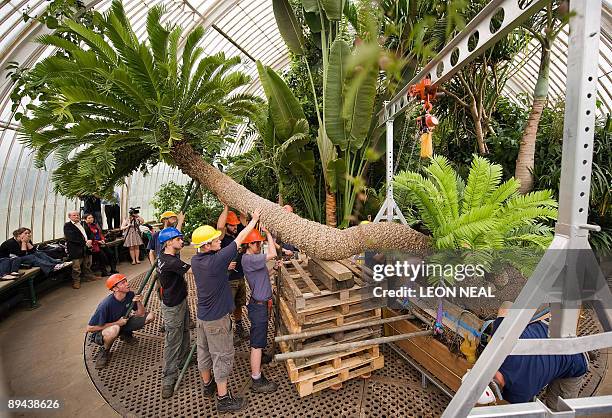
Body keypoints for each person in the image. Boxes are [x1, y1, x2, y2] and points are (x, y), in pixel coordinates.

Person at [190, 208, 261, 413]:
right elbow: (239, 238)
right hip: (217, 319)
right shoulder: (217, 260)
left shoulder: (197, 260)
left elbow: (214, 264)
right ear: (206, 246)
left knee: (203, 351)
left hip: (203, 317)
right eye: (215, 239)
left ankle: (207, 385)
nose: (219, 239)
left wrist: (223, 268)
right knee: (222, 355)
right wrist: (253, 220)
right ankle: (223, 399)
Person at [490, 301, 589, 409]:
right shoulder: (500, 340)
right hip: (550, 327)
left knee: (558, 411)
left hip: (574, 360)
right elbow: (507, 306)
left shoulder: (517, 396)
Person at [86, 273, 155, 369]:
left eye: (126, 281)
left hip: (123, 323)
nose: (127, 284)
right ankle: (105, 351)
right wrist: (117, 323)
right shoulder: (106, 304)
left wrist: (138, 301)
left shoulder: (130, 294)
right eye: (122, 283)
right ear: (115, 289)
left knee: (150, 316)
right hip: (106, 330)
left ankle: (125, 334)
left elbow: (141, 314)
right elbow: (90, 328)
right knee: (114, 329)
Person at [241, 226, 279, 393]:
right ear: (249, 244)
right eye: (257, 244)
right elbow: (272, 253)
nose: (259, 246)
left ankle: (260, 357)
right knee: (257, 343)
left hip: (260, 304)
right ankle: (256, 379)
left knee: (259, 339)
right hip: (258, 306)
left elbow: (262, 276)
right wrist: (269, 234)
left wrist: (273, 269)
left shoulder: (253, 258)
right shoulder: (249, 259)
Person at [156, 227, 191, 399]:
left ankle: (184, 359)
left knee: (185, 331)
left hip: (180, 300)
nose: (182, 241)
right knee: (172, 341)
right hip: (173, 306)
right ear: (169, 242)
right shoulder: (172, 262)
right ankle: (168, 379)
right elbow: (193, 270)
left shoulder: (164, 256)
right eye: (178, 239)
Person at [217, 205, 249, 340]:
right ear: (226, 226)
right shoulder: (221, 237)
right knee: (227, 307)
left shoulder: (237, 232)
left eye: (236, 225)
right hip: (228, 279)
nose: (235, 227)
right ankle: (227, 331)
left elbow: (244, 219)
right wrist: (226, 206)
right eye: (232, 225)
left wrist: (238, 201)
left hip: (240, 276)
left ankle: (239, 327)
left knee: (238, 305)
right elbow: (219, 226)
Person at [0, 227, 71, 278]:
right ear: (19, 235)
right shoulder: (11, 243)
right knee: (31, 257)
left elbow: (33, 251)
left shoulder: (27, 239)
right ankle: (52, 267)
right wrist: (24, 242)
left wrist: (27, 242)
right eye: (26, 233)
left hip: (21, 257)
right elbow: (22, 254)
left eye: (29, 233)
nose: (28, 235)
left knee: (39, 253)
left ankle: (59, 263)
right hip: (11, 261)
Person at [64, 211, 100, 289]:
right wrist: (85, 242)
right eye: (74, 215)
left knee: (87, 263)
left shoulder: (83, 224)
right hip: (75, 249)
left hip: (86, 248)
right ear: (69, 217)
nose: (77, 216)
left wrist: (90, 240)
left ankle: (89, 276)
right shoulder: (67, 226)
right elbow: (71, 238)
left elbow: (90, 233)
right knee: (76, 267)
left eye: (77, 215)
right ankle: (76, 281)